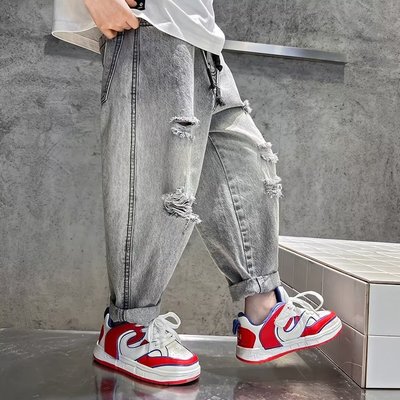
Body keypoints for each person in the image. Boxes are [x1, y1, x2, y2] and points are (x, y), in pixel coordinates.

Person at [52, 0, 342, 386]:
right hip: (148, 24)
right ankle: (126, 327)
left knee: (244, 162)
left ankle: (264, 313)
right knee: (156, 180)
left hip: (200, 35)